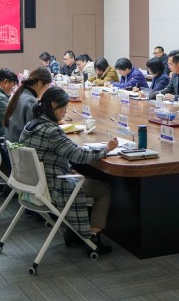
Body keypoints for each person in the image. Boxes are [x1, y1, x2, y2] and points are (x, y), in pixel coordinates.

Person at [19, 87, 117, 253]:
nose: (65, 112)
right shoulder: (52, 131)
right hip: (53, 188)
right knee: (103, 189)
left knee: (83, 177)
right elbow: (79, 155)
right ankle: (93, 238)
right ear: (54, 104)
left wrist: (70, 170)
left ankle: (73, 232)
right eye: (64, 107)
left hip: (32, 185)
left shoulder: (31, 125)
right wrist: (106, 149)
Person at [3, 67, 52, 143]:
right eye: (48, 85)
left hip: (11, 144)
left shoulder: (21, 93)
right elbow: (36, 132)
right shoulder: (31, 101)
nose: (48, 89)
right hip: (20, 147)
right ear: (39, 83)